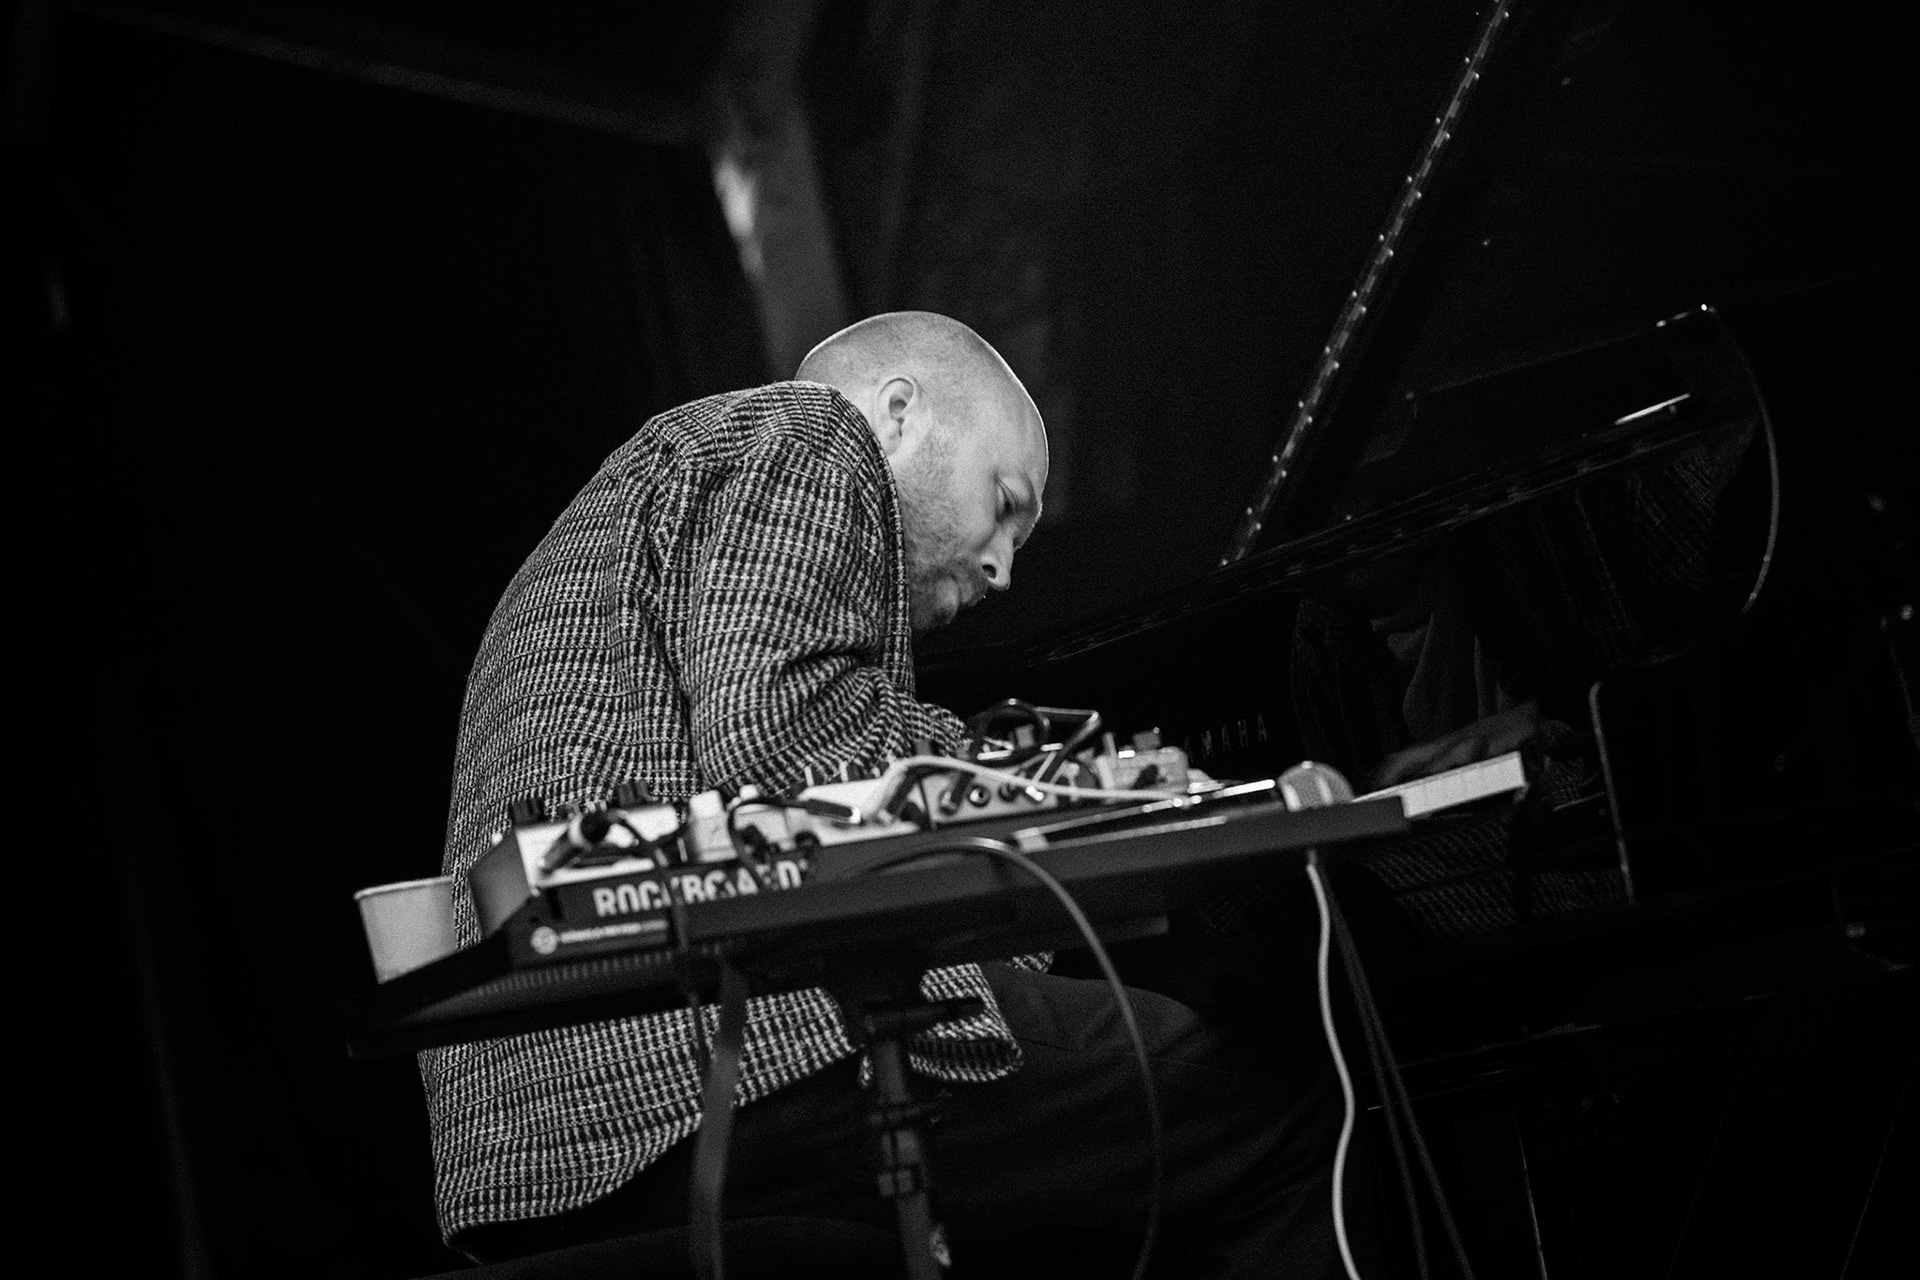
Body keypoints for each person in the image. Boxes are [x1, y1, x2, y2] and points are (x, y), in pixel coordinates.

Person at [424, 312, 1343, 1275]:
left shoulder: (615, 519)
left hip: (527, 1149)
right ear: (900, 410)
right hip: (738, 1052)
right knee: (1273, 1103)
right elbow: (784, 748)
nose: (1003, 568)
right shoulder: (812, 433)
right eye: (1005, 503)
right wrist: (1066, 785)